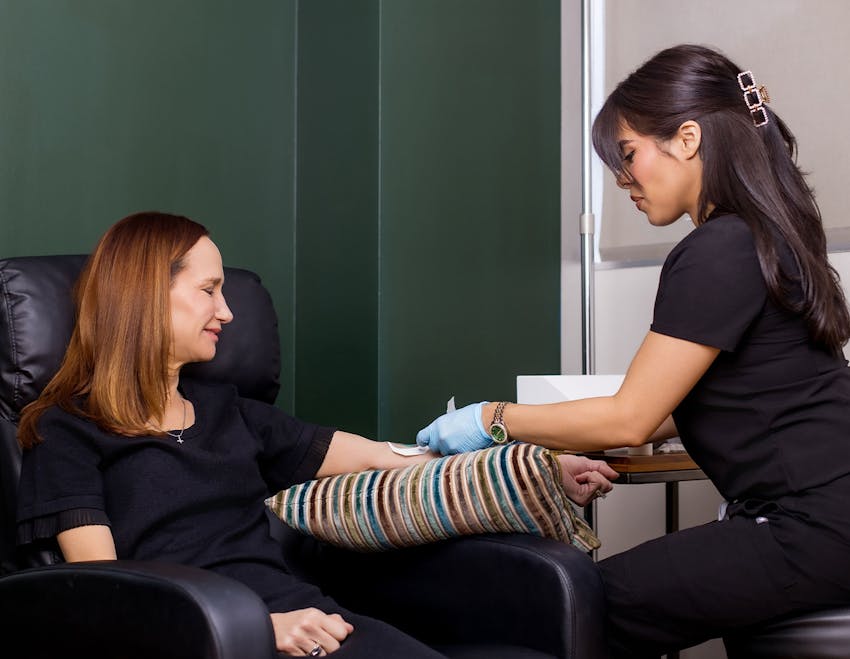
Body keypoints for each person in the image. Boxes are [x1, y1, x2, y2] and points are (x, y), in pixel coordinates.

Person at [15, 211, 616, 658]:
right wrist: (258, 628)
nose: (226, 312)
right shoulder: (66, 430)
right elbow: (102, 590)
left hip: (312, 622)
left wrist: (537, 470)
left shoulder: (231, 411)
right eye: (208, 291)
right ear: (146, 296)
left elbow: (389, 460)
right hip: (203, 636)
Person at [416, 44, 850, 656]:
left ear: (689, 139)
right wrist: (555, 445)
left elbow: (634, 415)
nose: (622, 181)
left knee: (573, 603)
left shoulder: (720, 250)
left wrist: (491, 420)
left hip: (812, 528)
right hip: (826, 517)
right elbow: (687, 404)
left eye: (628, 155)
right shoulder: (766, 236)